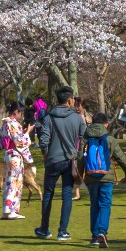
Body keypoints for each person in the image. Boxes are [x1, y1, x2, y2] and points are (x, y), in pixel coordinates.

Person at [34, 95, 85, 241]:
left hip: (52, 160)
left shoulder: (49, 117)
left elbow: (44, 139)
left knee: (48, 193)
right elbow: (83, 138)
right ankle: (63, 231)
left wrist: (45, 154)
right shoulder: (77, 118)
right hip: (70, 159)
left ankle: (44, 228)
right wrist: (78, 155)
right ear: (69, 100)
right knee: (67, 194)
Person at [83, 111, 117, 248]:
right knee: (105, 204)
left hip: (91, 176)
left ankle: (94, 236)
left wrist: (80, 175)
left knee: (94, 205)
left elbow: (81, 158)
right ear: (106, 124)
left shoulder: (85, 138)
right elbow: (121, 158)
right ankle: (102, 231)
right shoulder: (110, 139)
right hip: (106, 177)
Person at [0, 109, 32, 219]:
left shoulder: (5, 124)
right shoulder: (13, 124)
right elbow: (19, 142)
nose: (21, 116)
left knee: (9, 181)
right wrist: (28, 133)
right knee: (15, 182)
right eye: (21, 113)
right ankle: (12, 210)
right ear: (16, 112)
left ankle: (6, 211)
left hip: (8, 154)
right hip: (15, 155)